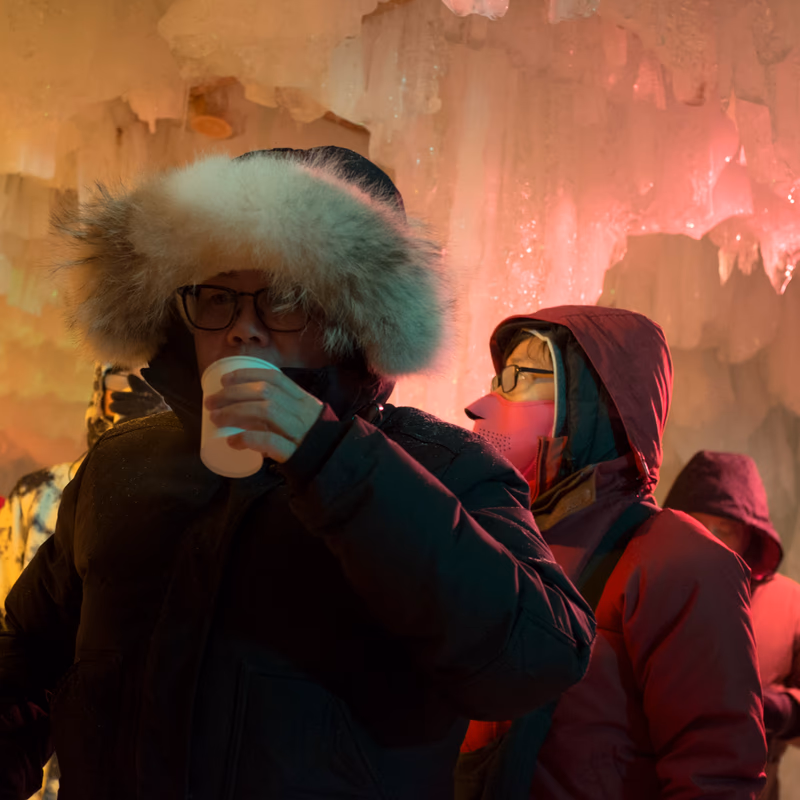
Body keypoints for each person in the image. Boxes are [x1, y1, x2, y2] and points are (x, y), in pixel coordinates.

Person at [0, 148, 595, 800]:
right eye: (217, 297)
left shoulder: (442, 469)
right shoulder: (125, 464)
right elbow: (29, 659)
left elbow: (536, 659)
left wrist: (331, 460)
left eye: (284, 299)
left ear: (353, 319)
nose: (243, 330)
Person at [462, 306, 767, 799]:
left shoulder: (681, 563)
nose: (481, 406)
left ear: (593, 404)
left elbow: (715, 779)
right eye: (497, 379)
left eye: (519, 378)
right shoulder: (504, 539)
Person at [0, 363, 167, 800]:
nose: (133, 393)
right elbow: (17, 633)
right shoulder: (36, 494)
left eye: (148, 384)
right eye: (121, 382)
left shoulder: (186, 501)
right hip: (38, 755)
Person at [664, 450, 800, 800]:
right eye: (696, 525)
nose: (709, 539)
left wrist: (774, 709)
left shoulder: (790, 604)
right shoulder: (646, 585)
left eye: (724, 529)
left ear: (749, 536)